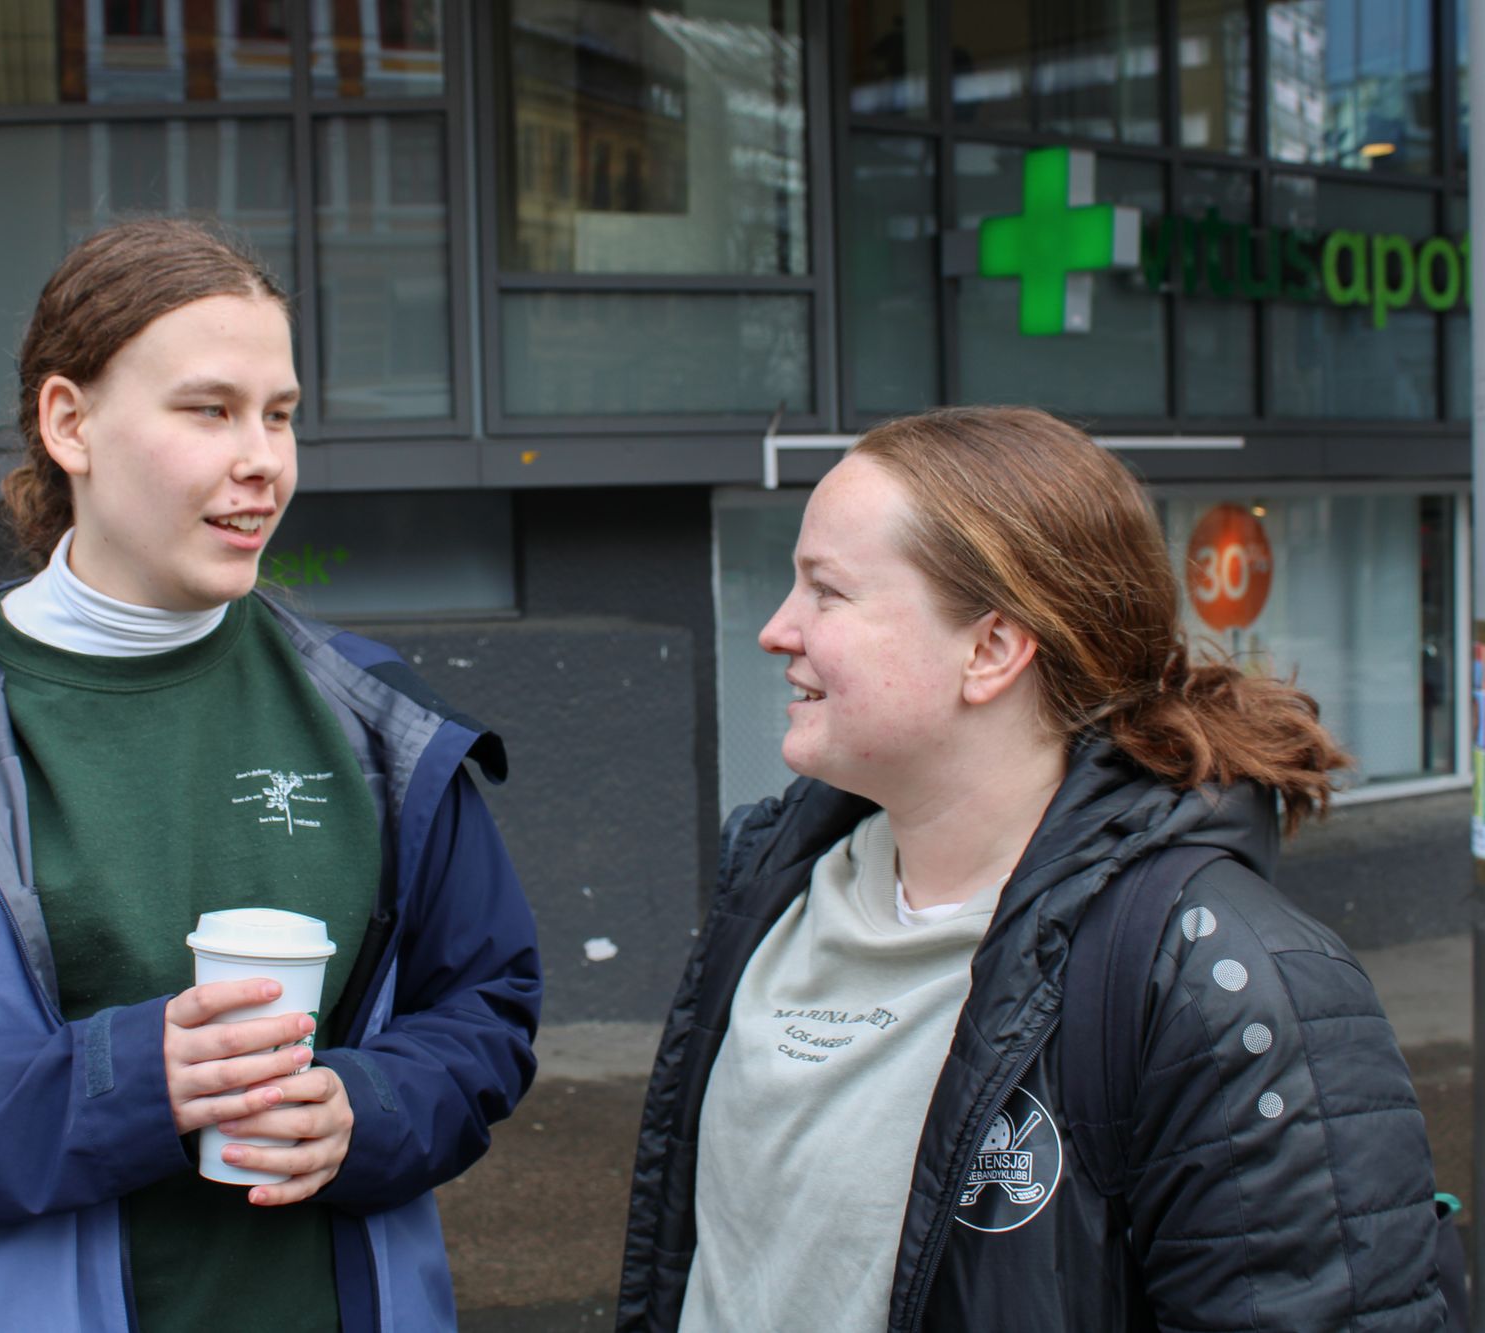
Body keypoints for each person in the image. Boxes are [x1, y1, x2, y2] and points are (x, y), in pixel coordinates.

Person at [0, 217, 541, 1332]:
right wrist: (122, 1084)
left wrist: (364, 1109)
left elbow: (484, 1011)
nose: (262, 460)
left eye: (279, 415)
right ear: (68, 423)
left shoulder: (377, 720)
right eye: (208, 409)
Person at [617, 406, 1449, 1331]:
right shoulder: (772, 889)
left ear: (991, 650)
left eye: (827, 592)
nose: (778, 629)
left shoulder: (1221, 987)